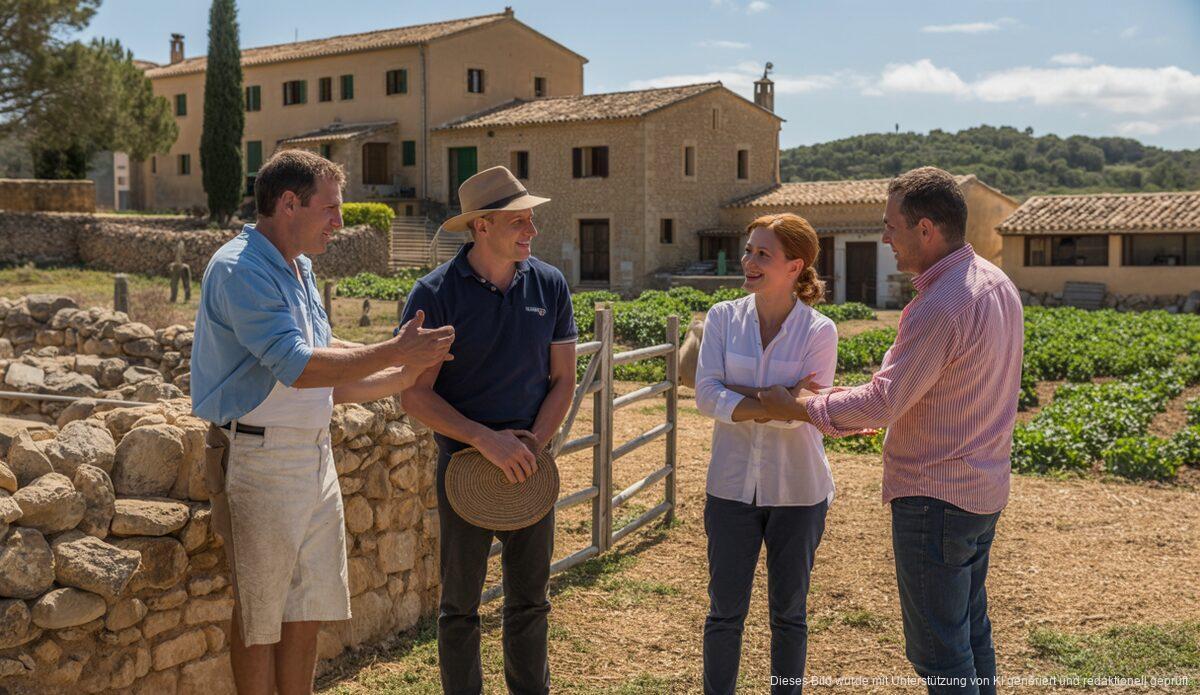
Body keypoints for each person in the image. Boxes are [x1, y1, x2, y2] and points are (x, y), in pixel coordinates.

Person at [191, 149, 455, 695]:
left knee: (305, 609)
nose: (340, 222)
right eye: (331, 208)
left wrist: (407, 373)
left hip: (313, 455)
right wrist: (394, 349)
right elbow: (301, 366)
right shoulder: (240, 268)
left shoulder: (300, 267)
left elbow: (329, 370)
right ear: (289, 203)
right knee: (261, 617)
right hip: (260, 460)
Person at [760, 167, 1024, 695]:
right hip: (981, 490)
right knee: (970, 635)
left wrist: (802, 407)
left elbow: (885, 401)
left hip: (936, 497)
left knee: (940, 654)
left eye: (891, 225)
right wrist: (836, 406)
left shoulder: (941, 303)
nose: (884, 237)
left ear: (925, 229)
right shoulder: (996, 283)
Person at [399, 165, 577, 695]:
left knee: (531, 601)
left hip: (528, 464)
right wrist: (484, 440)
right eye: (518, 221)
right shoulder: (435, 294)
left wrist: (531, 445)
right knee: (460, 608)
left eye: (531, 220)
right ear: (480, 225)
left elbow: (563, 379)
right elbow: (414, 394)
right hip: (463, 469)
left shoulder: (550, 283)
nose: (532, 230)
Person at [694, 213, 839, 695]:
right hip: (730, 488)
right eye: (748, 251)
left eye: (763, 254)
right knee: (724, 613)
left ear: (795, 265)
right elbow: (704, 396)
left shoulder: (820, 332)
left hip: (799, 490)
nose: (749, 261)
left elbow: (808, 409)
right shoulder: (721, 318)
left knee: (789, 615)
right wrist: (777, 398)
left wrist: (742, 396)